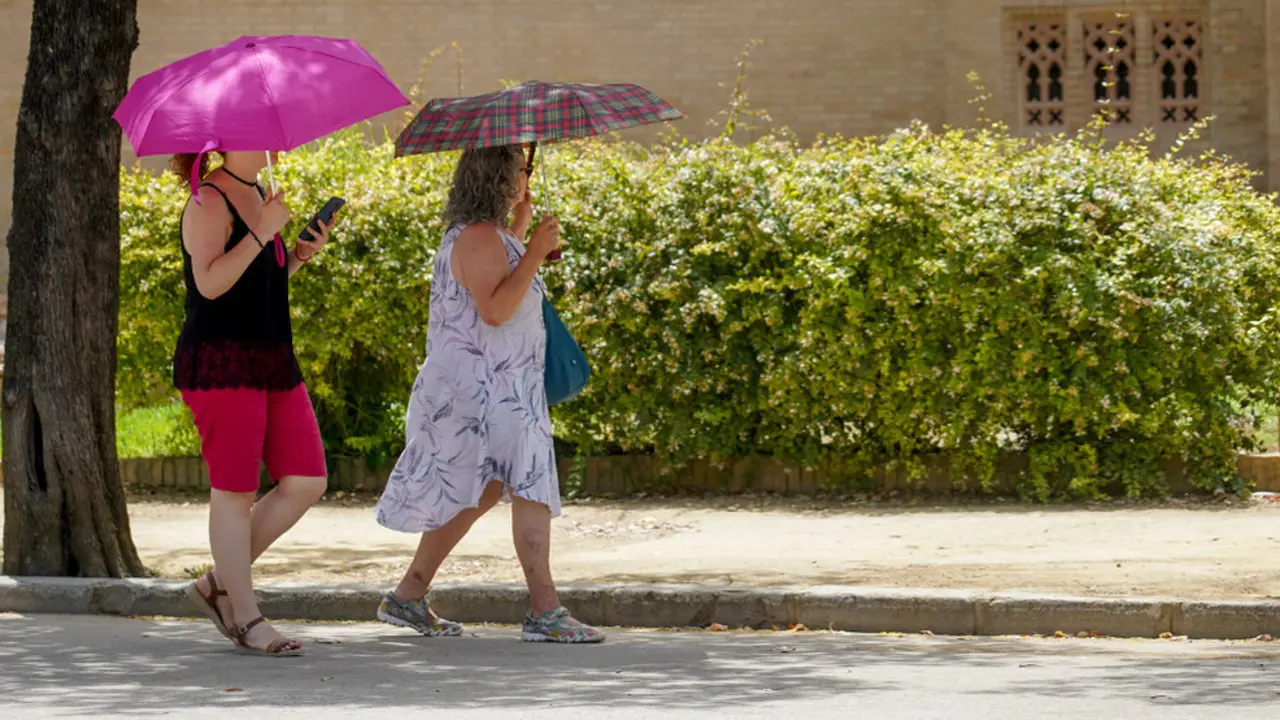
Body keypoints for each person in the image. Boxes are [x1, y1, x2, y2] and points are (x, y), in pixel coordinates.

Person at [373, 144, 604, 644]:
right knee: (530, 485)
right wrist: (536, 251)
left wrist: (520, 232)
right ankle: (545, 611)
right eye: (520, 169)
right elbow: (496, 309)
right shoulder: (478, 238)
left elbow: (496, 282)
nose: (527, 175)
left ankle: (408, 596)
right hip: (494, 390)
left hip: (490, 386)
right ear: (497, 176)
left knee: (479, 490)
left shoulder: (486, 236)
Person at [174, 150, 336, 656]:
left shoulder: (261, 195)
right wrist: (263, 232)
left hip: (271, 358)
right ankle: (247, 617)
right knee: (235, 492)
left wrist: (299, 256)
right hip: (222, 361)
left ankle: (218, 583)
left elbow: (255, 287)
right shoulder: (208, 200)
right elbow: (210, 283)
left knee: (308, 480)